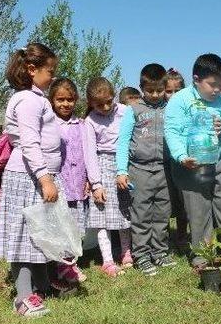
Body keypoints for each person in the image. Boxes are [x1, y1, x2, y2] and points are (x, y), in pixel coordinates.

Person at [0, 43, 62, 317]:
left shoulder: (37, 99)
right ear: (32, 70)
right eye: (50, 71)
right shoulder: (27, 100)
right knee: (24, 238)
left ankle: (43, 285)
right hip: (28, 176)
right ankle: (23, 297)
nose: (53, 77)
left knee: (42, 235)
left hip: (37, 176)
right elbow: (30, 143)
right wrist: (45, 178)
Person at [164, 53, 221, 268]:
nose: (217, 90)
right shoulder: (180, 100)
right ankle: (203, 255)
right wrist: (181, 157)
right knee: (199, 212)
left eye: (220, 85)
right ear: (196, 79)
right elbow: (172, 131)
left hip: (217, 161)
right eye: (212, 84)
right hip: (190, 165)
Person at [116, 64, 174, 276]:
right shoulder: (133, 110)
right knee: (141, 214)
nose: (156, 95)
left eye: (160, 90)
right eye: (150, 91)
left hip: (164, 169)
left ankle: (159, 251)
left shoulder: (171, 108)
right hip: (139, 170)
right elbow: (122, 141)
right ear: (142, 88)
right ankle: (141, 254)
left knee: (162, 212)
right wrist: (121, 170)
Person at [85, 77, 132, 278]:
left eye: (108, 101)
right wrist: (96, 184)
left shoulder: (125, 111)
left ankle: (126, 252)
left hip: (123, 164)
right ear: (90, 103)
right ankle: (107, 260)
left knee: (124, 211)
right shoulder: (90, 121)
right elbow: (89, 153)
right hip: (101, 166)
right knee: (101, 214)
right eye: (99, 104)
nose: (105, 107)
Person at [48, 78, 89, 284]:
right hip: (59, 185)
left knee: (76, 228)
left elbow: (88, 153)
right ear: (52, 100)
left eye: (70, 99)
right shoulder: (49, 125)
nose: (65, 104)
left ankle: (70, 263)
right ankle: (63, 267)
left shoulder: (81, 124)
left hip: (78, 185)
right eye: (60, 99)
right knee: (61, 227)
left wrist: (90, 178)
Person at [163, 68, 189, 249]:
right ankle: (162, 236)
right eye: (169, 91)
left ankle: (181, 233)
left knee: (182, 199)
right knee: (164, 199)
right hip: (161, 161)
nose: (172, 95)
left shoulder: (186, 110)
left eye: (177, 91)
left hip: (181, 162)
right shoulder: (159, 109)